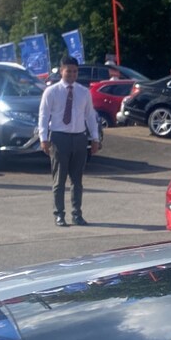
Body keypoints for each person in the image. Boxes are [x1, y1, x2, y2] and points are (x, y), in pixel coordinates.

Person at [38, 56, 102, 226]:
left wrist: (95, 138)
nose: (72, 74)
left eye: (74, 71)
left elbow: (90, 116)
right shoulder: (51, 92)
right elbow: (44, 116)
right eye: (68, 71)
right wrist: (43, 138)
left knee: (77, 180)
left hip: (80, 138)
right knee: (59, 180)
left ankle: (77, 214)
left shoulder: (83, 92)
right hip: (59, 138)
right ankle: (59, 214)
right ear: (61, 71)